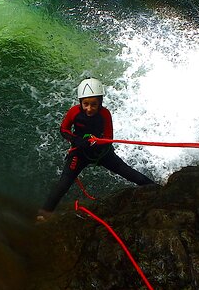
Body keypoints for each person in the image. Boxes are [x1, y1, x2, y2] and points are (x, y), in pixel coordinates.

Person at [38, 78, 155, 221]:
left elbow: (108, 137)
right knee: (63, 183)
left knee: (129, 173)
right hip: (80, 152)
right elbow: (64, 129)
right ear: (80, 102)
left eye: (94, 104)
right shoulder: (74, 112)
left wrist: (96, 143)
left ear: (100, 103)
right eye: (85, 104)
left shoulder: (105, 114)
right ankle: (44, 214)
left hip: (102, 152)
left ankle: (156, 189)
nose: (89, 108)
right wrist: (77, 140)